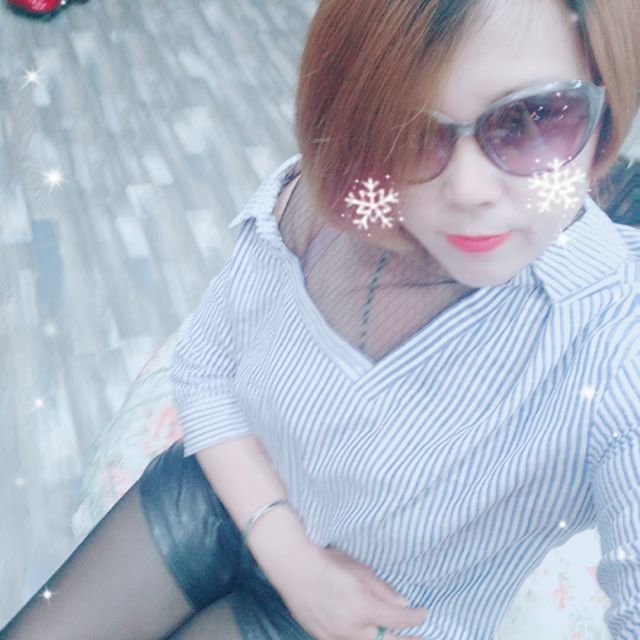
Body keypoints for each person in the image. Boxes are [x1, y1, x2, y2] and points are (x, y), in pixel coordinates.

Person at [2, 0, 639, 638]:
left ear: (605, 106)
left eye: (532, 119)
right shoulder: (340, 200)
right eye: (406, 128)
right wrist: (291, 557)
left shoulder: (614, 343)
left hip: (362, 619)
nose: (468, 188)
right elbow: (204, 365)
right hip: (222, 490)